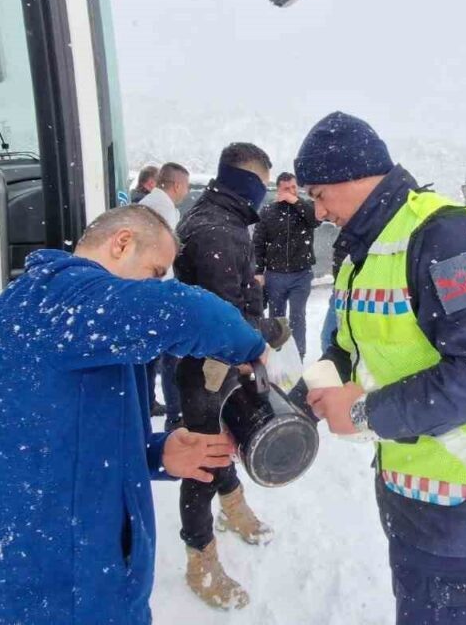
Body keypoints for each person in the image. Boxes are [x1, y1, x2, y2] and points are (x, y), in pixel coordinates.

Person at [0, 205, 267, 625]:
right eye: (156, 271)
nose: (158, 284)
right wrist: (255, 348)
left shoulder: (76, 325)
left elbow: (64, 444)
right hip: (53, 592)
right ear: (121, 243)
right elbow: (185, 311)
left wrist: (159, 454)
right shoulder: (58, 300)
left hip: (78, 577)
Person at [297, 112, 466, 625]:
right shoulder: (359, 252)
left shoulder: (444, 236)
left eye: (320, 195)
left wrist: (362, 412)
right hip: (412, 491)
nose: (318, 211)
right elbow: (347, 345)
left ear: (355, 176)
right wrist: (309, 391)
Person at [173, 142, 290, 609]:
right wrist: (271, 330)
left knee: (222, 441)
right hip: (210, 365)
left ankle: (234, 506)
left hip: (201, 362)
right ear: (249, 184)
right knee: (204, 458)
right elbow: (225, 322)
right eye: (261, 186)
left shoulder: (208, 216)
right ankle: (200, 560)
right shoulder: (223, 232)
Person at [138, 162, 191, 425]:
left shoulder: (149, 204)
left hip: (147, 292)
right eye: (187, 186)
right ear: (178, 185)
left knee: (149, 359)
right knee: (171, 357)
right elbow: (161, 259)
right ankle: (175, 415)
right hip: (157, 294)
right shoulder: (162, 209)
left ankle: (148, 404)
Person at [253, 172, 319, 360]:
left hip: (301, 274)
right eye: (286, 189)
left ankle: (298, 355)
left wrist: (295, 201)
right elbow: (258, 242)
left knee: (298, 316)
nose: (290, 192)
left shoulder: (306, 207)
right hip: (275, 275)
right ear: (278, 190)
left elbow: (315, 220)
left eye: (293, 188)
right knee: (277, 317)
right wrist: (258, 271)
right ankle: (278, 355)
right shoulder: (268, 211)